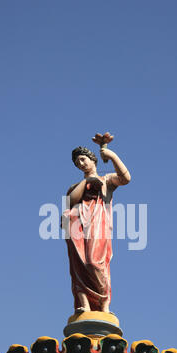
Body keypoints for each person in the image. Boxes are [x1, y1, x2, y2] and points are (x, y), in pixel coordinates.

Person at [62, 132, 131, 314]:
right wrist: (86, 183)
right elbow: (69, 201)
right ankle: (83, 302)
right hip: (77, 226)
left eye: (83, 159)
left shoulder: (106, 180)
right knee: (79, 264)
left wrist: (112, 155)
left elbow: (126, 178)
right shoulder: (77, 185)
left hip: (98, 221)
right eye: (77, 163)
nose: (81, 164)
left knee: (95, 262)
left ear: (93, 160)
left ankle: (104, 303)